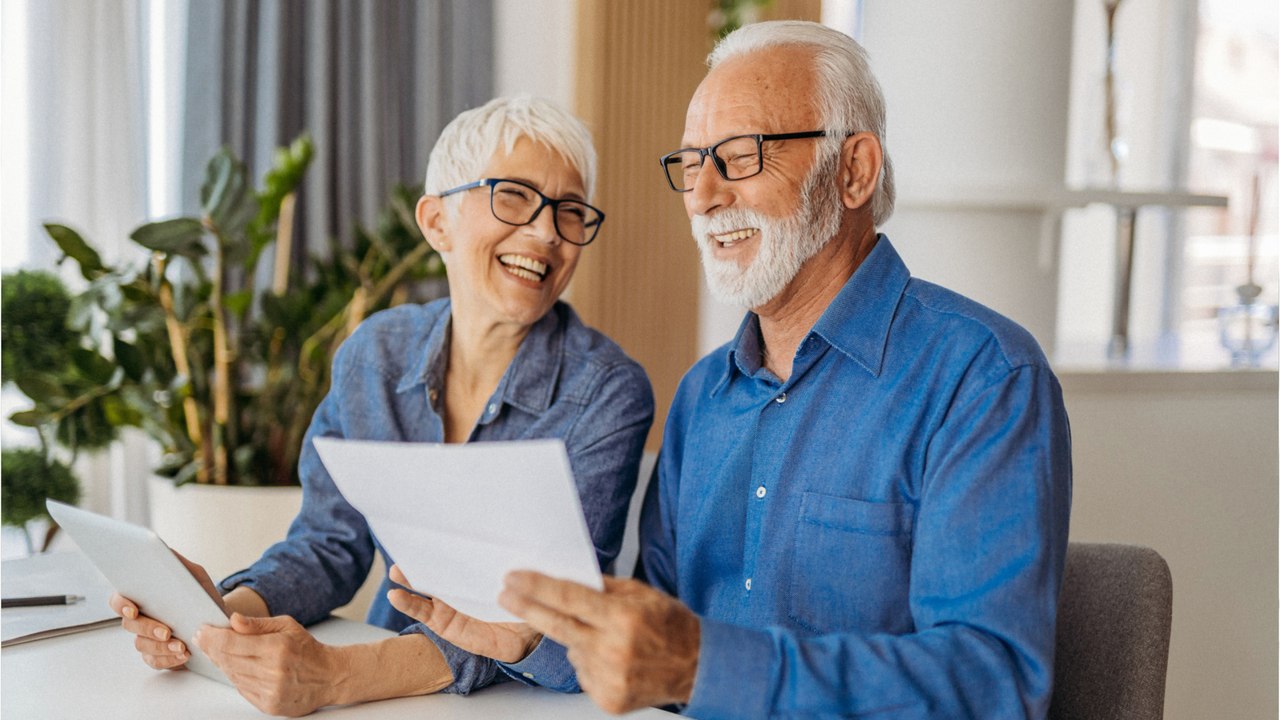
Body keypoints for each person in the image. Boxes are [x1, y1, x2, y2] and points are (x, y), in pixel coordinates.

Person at [482, 21, 1073, 719]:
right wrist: (529, 639)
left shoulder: (982, 378)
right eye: (691, 163)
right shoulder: (703, 395)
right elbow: (655, 650)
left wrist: (707, 667)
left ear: (854, 170)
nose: (702, 195)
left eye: (739, 156)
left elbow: (992, 683)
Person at [108, 95, 655, 716]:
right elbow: (328, 543)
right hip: (395, 697)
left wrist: (339, 676)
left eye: (570, 210)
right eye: (514, 196)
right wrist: (220, 621)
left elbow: (557, 622)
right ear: (436, 221)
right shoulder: (375, 353)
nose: (546, 232)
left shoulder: (609, 391)